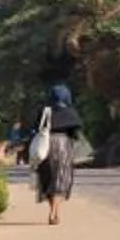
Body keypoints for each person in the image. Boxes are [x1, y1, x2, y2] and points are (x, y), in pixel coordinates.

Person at [31, 84, 82, 225]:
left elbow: (35, 129)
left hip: (45, 146)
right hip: (63, 146)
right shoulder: (70, 113)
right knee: (60, 179)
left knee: (47, 179)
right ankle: (55, 212)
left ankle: (53, 211)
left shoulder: (44, 111)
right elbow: (76, 134)